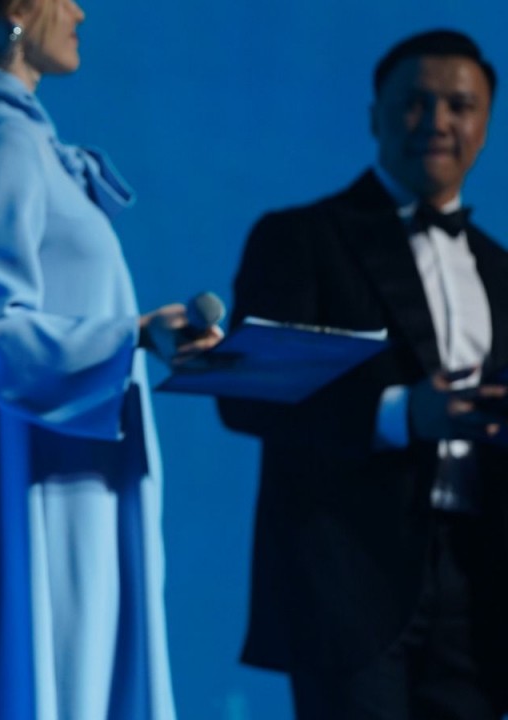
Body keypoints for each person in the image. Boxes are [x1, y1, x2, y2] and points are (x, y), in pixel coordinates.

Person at [0, 1, 220, 718]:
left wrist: (146, 336)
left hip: (74, 486)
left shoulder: (19, 140)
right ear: (17, 11)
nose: (80, 10)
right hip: (47, 501)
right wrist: (131, 336)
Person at [218, 29, 508, 720]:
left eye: (460, 105)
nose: (437, 121)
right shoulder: (300, 237)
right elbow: (246, 395)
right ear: (375, 116)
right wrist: (401, 414)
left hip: (481, 585)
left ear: (486, 124)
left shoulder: (501, 268)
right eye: (416, 102)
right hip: (348, 584)